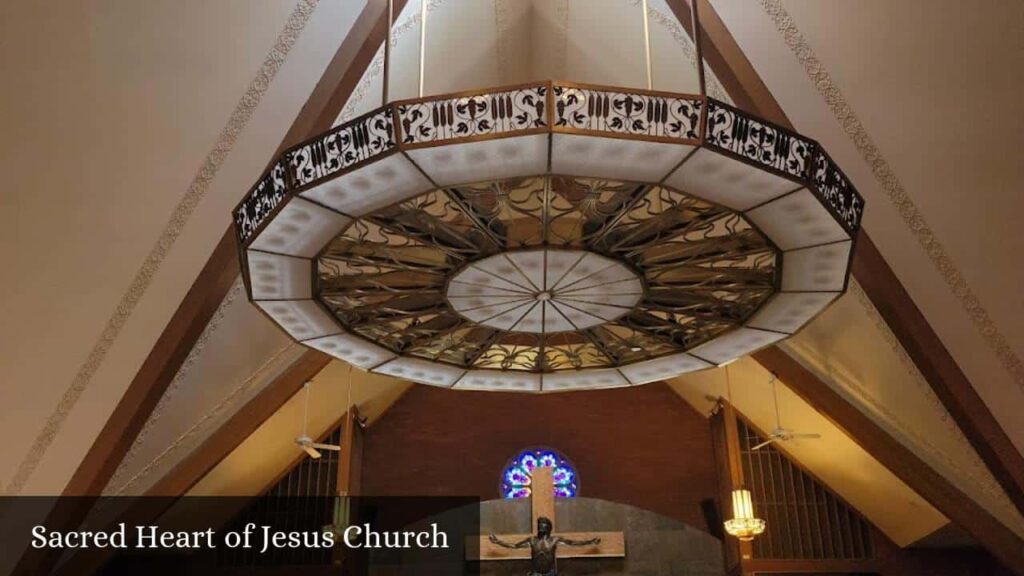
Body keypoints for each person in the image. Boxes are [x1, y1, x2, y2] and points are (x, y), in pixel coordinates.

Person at [488, 516, 600, 576]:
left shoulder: (555, 540)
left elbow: (573, 543)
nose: (540, 527)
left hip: (550, 573)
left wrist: (590, 542)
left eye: (543, 525)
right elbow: (514, 546)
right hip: (535, 573)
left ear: (548, 528)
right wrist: (498, 542)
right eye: (539, 525)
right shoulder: (532, 540)